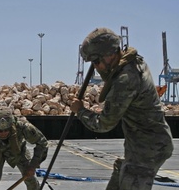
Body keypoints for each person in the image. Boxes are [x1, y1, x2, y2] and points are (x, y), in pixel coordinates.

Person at [70, 27, 173, 190]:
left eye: (97, 61)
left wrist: (80, 110)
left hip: (147, 151)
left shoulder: (125, 80)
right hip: (141, 145)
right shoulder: (132, 62)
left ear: (110, 55)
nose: (96, 67)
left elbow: (103, 124)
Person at [0, 106, 48, 190]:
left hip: (18, 151)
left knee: (30, 179)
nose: (3, 133)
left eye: (6, 130)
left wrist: (33, 165)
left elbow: (42, 143)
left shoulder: (23, 127)